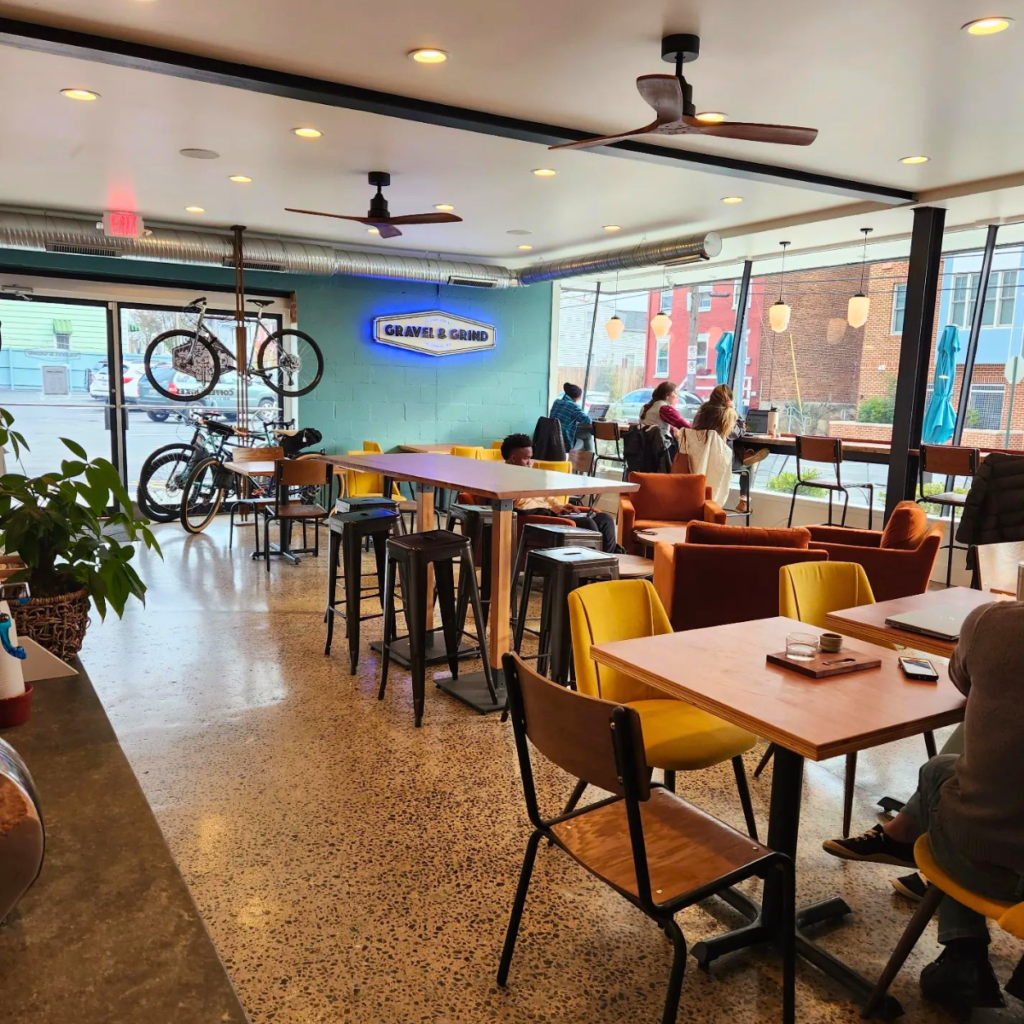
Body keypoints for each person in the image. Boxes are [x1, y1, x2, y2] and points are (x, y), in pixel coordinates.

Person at [822, 600, 1024, 1009]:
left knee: (947, 788)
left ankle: (962, 953)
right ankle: (898, 837)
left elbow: (962, 680)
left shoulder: (994, 622)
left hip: (987, 866)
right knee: (943, 769)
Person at [501, 433, 621, 553]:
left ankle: (606, 559)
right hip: (541, 520)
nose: (530, 463)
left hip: (553, 515)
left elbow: (547, 496)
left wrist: (561, 507)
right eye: (526, 459)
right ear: (513, 459)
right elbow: (520, 508)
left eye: (530, 458)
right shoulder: (505, 480)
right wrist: (552, 511)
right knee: (587, 523)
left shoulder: (531, 476)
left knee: (605, 519)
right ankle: (591, 565)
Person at [692, 384, 769, 513]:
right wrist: (737, 415)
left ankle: (746, 454)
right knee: (749, 466)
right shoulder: (727, 414)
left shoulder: (702, 412)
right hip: (720, 462)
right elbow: (737, 432)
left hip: (700, 460)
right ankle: (744, 502)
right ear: (728, 399)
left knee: (731, 445)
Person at [549, 383, 593, 451]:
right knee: (587, 436)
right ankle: (590, 459)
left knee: (583, 437)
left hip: (552, 437)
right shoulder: (573, 406)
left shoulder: (557, 402)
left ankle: (590, 459)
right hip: (564, 440)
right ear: (577, 397)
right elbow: (587, 421)